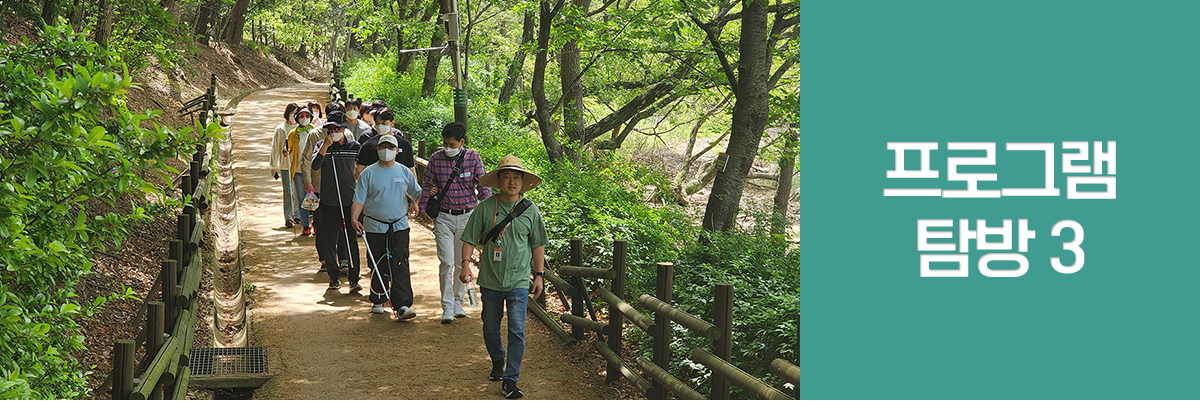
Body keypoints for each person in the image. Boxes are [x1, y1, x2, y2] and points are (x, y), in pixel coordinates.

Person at [459, 155, 547, 399]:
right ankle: (498, 360)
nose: (511, 182)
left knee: (517, 329)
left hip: (519, 280)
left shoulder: (531, 211)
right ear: (498, 181)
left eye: (516, 177)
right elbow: (469, 238)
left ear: (522, 182)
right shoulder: (485, 208)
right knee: (490, 326)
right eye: (506, 177)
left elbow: (538, 245)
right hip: (490, 279)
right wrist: (465, 265)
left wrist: (539, 275)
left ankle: (510, 379)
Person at [418, 122, 491, 324]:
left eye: (452, 144)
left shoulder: (473, 157)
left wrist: (488, 212)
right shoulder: (436, 159)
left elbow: (483, 186)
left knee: (462, 261)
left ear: (461, 142)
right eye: (445, 143)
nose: (448, 147)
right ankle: (447, 306)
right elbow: (427, 184)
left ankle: (459, 302)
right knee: (447, 261)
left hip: (467, 217)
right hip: (444, 217)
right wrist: (423, 208)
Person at [351, 134, 421, 321]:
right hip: (375, 226)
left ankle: (403, 305)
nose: (386, 151)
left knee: (400, 262)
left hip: (399, 225)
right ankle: (378, 298)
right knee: (377, 262)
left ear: (397, 151)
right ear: (377, 150)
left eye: (390, 148)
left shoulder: (404, 171)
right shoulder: (368, 173)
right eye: (383, 147)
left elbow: (416, 192)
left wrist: (416, 203)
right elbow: (359, 199)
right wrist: (354, 218)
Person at [311, 110, 363, 291]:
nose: (334, 132)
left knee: (351, 241)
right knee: (328, 241)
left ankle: (354, 278)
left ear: (344, 128)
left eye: (338, 128)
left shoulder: (354, 146)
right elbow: (315, 165)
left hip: (350, 201)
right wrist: (325, 147)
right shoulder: (320, 145)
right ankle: (333, 276)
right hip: (328, 202)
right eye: (331, 129)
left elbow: (361, 170)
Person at [356, 108, 415, 178]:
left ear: (392, 123)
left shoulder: (404, 144)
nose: (380, 126)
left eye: (384, 123)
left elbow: (411, 170)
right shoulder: (368, 145)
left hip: (399, 182)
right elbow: (358, 172)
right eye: (378, 123)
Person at [270, 103, 302, 227]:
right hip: (285, 165)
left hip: (298, 165)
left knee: (298, 191)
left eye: (296, 113)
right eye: (291, 112)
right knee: (288, 190)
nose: (293, 115)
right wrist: (274, 166)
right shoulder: (280, 129)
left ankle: (297, 214)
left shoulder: (301, 128)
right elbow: (275, 148)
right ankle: (288, 217)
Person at [288, 106, 318, 234]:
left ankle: (316, 222)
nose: (304, 118)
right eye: (301, 116)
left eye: (307, 116)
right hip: (299, 170)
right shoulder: (293, 134)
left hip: (314, 171)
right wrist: (286, 151)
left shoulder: (316, 132)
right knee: (301, 198)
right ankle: (305, 225)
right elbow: (289, 149)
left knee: (314, 197)